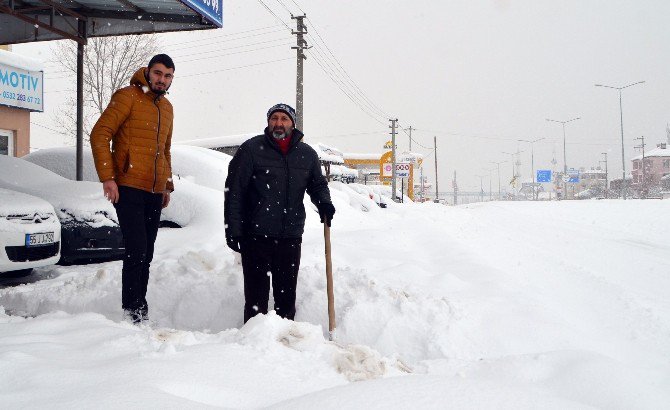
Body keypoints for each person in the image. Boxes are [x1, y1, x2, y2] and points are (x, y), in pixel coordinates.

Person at [224, 103, 335, 323]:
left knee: (286, 295)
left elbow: (318, 185)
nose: (279, 123)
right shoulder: (251, 149)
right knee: (256, 297)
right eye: (274, 118)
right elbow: (234, 190)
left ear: (292, 124)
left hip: (290, 235)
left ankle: (286, 340)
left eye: (284, 119)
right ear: (268, 122)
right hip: (255, 235)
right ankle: (253, 340)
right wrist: (233, 229)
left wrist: (324, 202)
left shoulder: (307, 154)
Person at [90, 54, 176, 323]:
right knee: (136, 249)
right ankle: (132, 311)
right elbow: (99, 133)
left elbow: (165, 150)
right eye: (158, 73)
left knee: (146, 252)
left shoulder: (168, 108)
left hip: (153, 191)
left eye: (168, 75)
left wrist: (167, 186)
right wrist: (108, 177)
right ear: (148, 72)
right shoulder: (127, 96)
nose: (162, 79)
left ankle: (141, 308)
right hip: (127, 186)